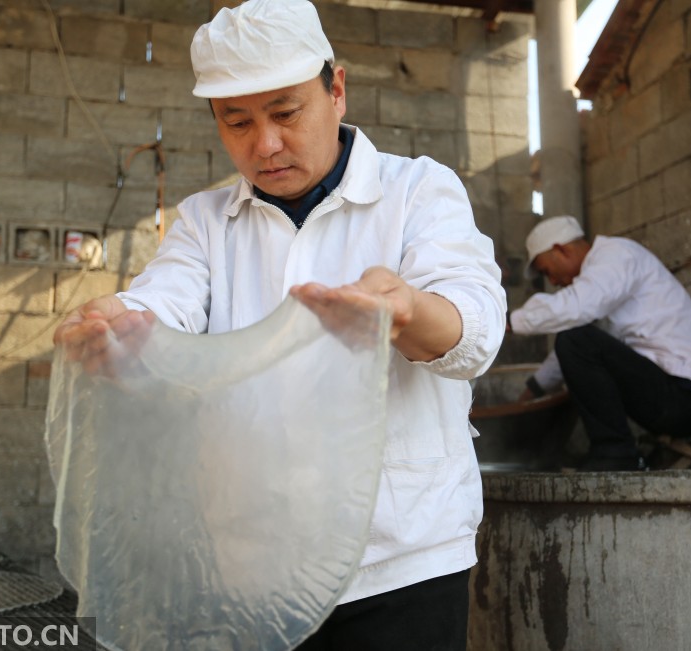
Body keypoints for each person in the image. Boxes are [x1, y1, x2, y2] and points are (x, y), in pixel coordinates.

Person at [53, 0, 507, 648]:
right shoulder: (206, 221)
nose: (264, 145)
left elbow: (475, 329)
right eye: (237, 122)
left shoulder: (417, 191)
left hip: (399, 560)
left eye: (286, 113)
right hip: (251, 566)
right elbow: (164, 301)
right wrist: (120, 325)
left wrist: (407, 310)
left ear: (337, 90)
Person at [508, 215, 691, 471]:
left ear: (561, 250)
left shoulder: (616, 256)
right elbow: (567, 351)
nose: (553, 282)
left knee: (574, 340)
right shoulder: (599, 282)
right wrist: (530, 393)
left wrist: (509, 321)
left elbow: (575, 315)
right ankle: (612, 451)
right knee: (574, 341)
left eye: (547, 271)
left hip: (688, 398)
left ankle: (615, 452)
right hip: (676, 396)